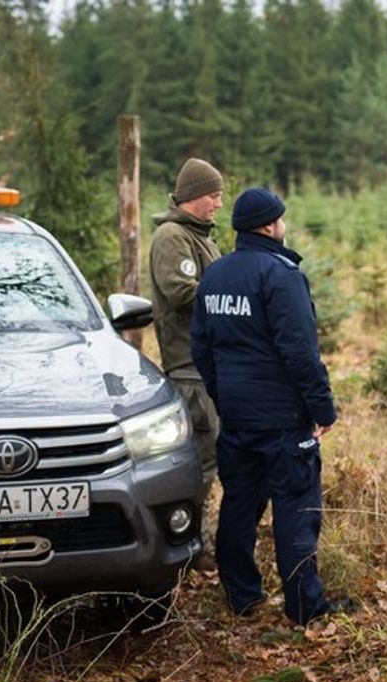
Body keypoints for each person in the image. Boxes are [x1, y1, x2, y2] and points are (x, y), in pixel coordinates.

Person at [191, 187, 351, 625]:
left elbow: (201, 347)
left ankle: (242, 596)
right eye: (280, 219)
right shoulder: (281, 275)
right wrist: (323, 408)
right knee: (297, 510)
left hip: (238, 417)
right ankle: (306, 607)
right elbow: (300, 351)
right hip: (284, 420)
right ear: (269, 225)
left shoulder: (216, 275)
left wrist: (223, 396)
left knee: (239, 506)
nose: (283, 225)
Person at [148, 157, 225, 569]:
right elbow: (181, 292)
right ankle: (193, 545)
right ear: (195, 196)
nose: (218, 204)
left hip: (210, 365)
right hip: (190, 367)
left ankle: (205, 541)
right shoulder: (172, 237)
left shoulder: (202, 237)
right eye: (214, 196)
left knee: (214, 457)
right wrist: (231, 293)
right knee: (201, 462)